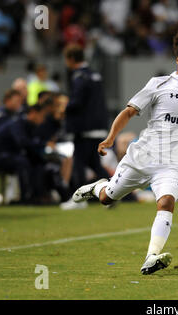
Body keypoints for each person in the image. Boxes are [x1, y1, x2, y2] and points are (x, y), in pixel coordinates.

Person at [71, 26, 178, 275]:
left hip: (173, 165)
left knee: (166, 202)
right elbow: (129, 111)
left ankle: (151, 256)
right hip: (143, 157)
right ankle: (96, 187)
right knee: (108, 197)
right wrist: (111, 137)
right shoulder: (158, 84)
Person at [63, 44, 110, 201]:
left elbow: (77, 102)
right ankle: (113, 193)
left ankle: (78, 200)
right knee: (95, 165)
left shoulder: (78, 76)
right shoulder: (95, 75)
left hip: (85, 128)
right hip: (99, 125)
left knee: (79, 163)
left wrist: (64, 107)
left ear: (70, 59)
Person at [0, 104, 48, 204]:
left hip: (7, 155)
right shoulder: (17, 123)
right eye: (42, 116)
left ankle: (38, 195)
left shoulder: (27, 125)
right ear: (33, 113)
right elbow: (22, 142)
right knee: (22, 162)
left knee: (37, 161)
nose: (43, 120)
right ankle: (25, 197)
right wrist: (42, 144)